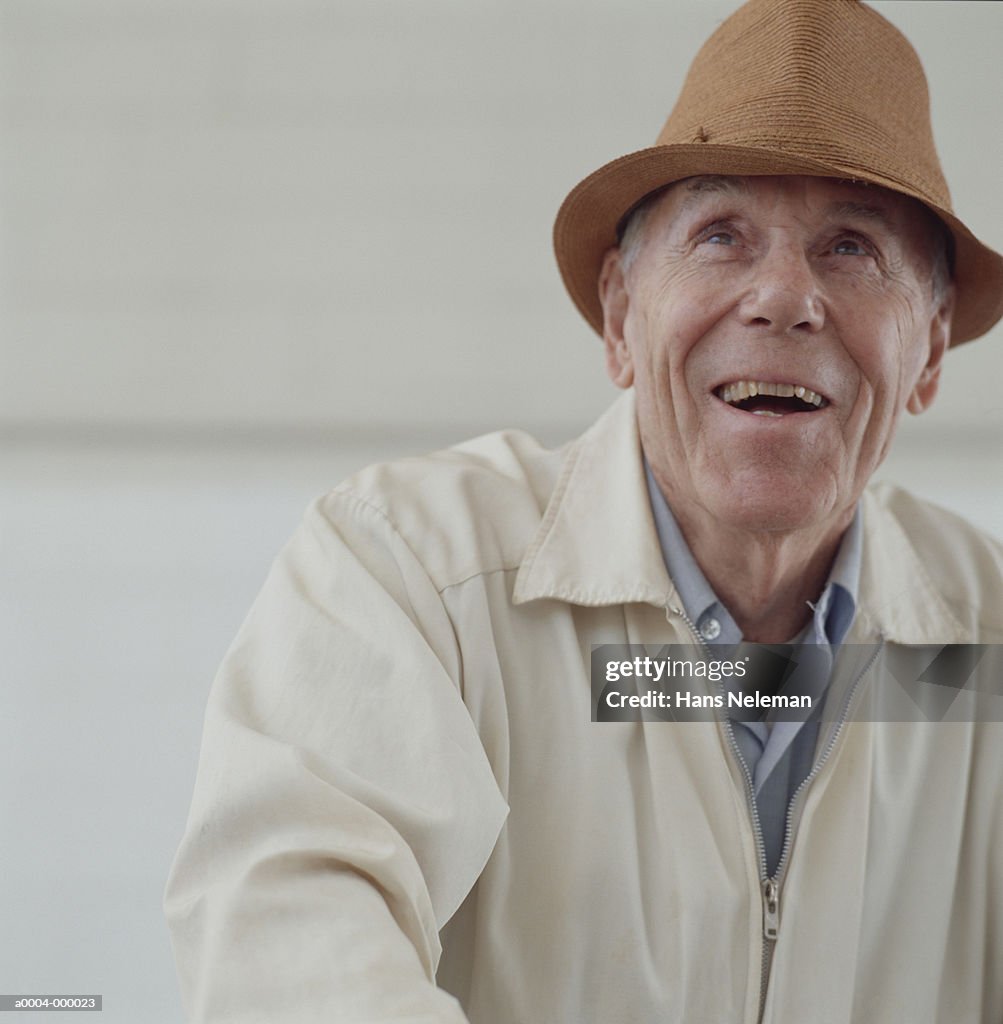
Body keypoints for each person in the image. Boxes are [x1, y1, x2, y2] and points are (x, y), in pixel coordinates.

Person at [165, 1, 1003, 1020]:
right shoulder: (411, 576)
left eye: (851, 249)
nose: (783, 297)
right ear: (618, 315)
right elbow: (281, 941)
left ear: (927, 348)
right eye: (720, 235)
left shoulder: (983, 647)